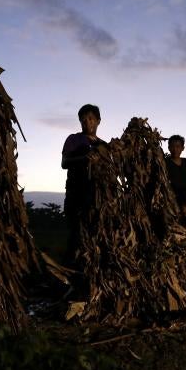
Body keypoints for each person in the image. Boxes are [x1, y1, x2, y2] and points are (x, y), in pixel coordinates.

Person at [61, 104, 106, 265]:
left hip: (98, 199)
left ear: (98, 121)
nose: (87, 123)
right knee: (76, 237)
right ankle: (68, 275)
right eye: (83, 120)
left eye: (90, 119)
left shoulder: (104, 146)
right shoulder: (74, 139)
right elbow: (64, 162)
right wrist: (84, 159)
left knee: (95, 238)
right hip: (76, 195)